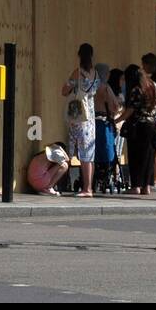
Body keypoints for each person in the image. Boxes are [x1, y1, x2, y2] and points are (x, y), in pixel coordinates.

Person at [61, 43, 103, 197]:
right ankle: (88, 187)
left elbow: (64, 91)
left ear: (79, 55)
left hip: (78, 116)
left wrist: (73, 87)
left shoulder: (77, 73)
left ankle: (85, 188)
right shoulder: (97, 74)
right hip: (90, 116)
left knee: (76, 151)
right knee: (88, 155)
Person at [120, 65, 156, 195]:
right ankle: (147, 186)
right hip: (153, 124)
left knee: (136, 155)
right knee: (149, 155)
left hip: (138, 125)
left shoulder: (136, 90)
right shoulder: (153, 86)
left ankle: (136, 186)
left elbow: (131, 109)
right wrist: (154, 110)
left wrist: (118, 120)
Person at [92, 62, 122, 193]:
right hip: (104, 122)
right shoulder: (105, 87)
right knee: (107, 149)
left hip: (91, 122)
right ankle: (106, 176)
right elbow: (115, 106)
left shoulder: (91, 85)